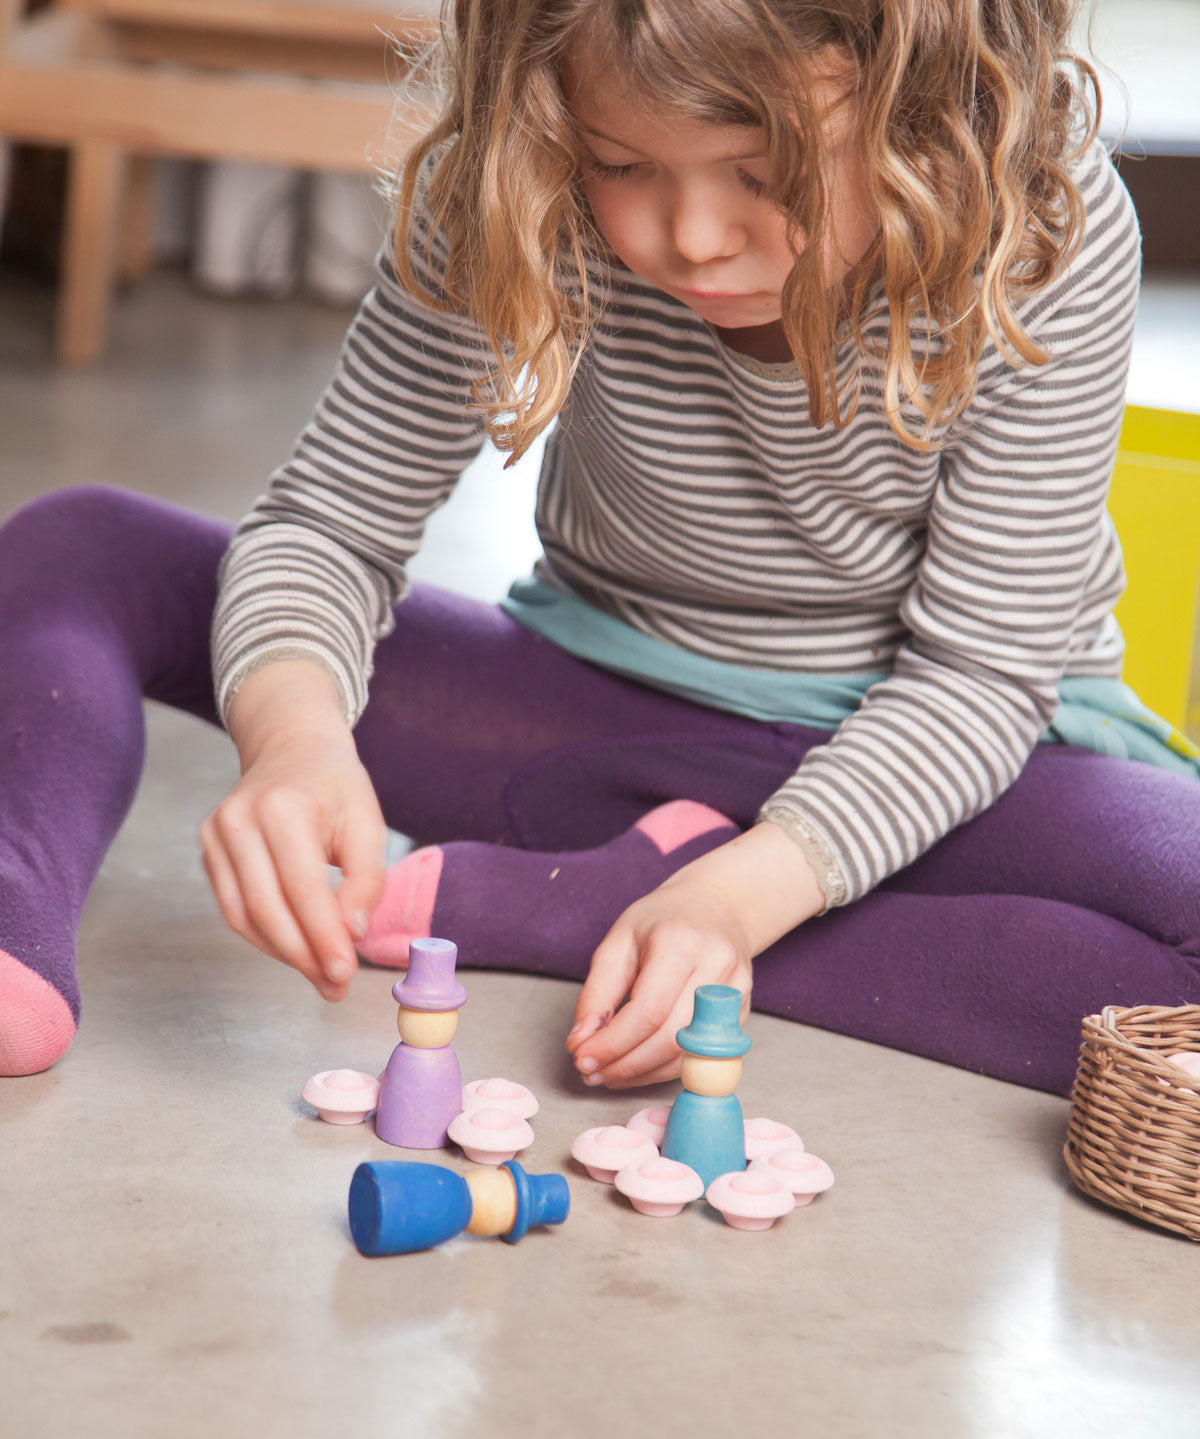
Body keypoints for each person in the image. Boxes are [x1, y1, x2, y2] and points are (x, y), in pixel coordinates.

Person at [3, 0, 1197, 1095]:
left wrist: (736, 896)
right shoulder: (518, 170)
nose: (692, 235)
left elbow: (978, 679)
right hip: (597, 714)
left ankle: (614, 911)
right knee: (84, 547)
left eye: (766, 172)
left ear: (924, 109)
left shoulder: (1046, 223)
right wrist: (295, 738)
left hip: (955, 749)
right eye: (624, 165)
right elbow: (330, 522)